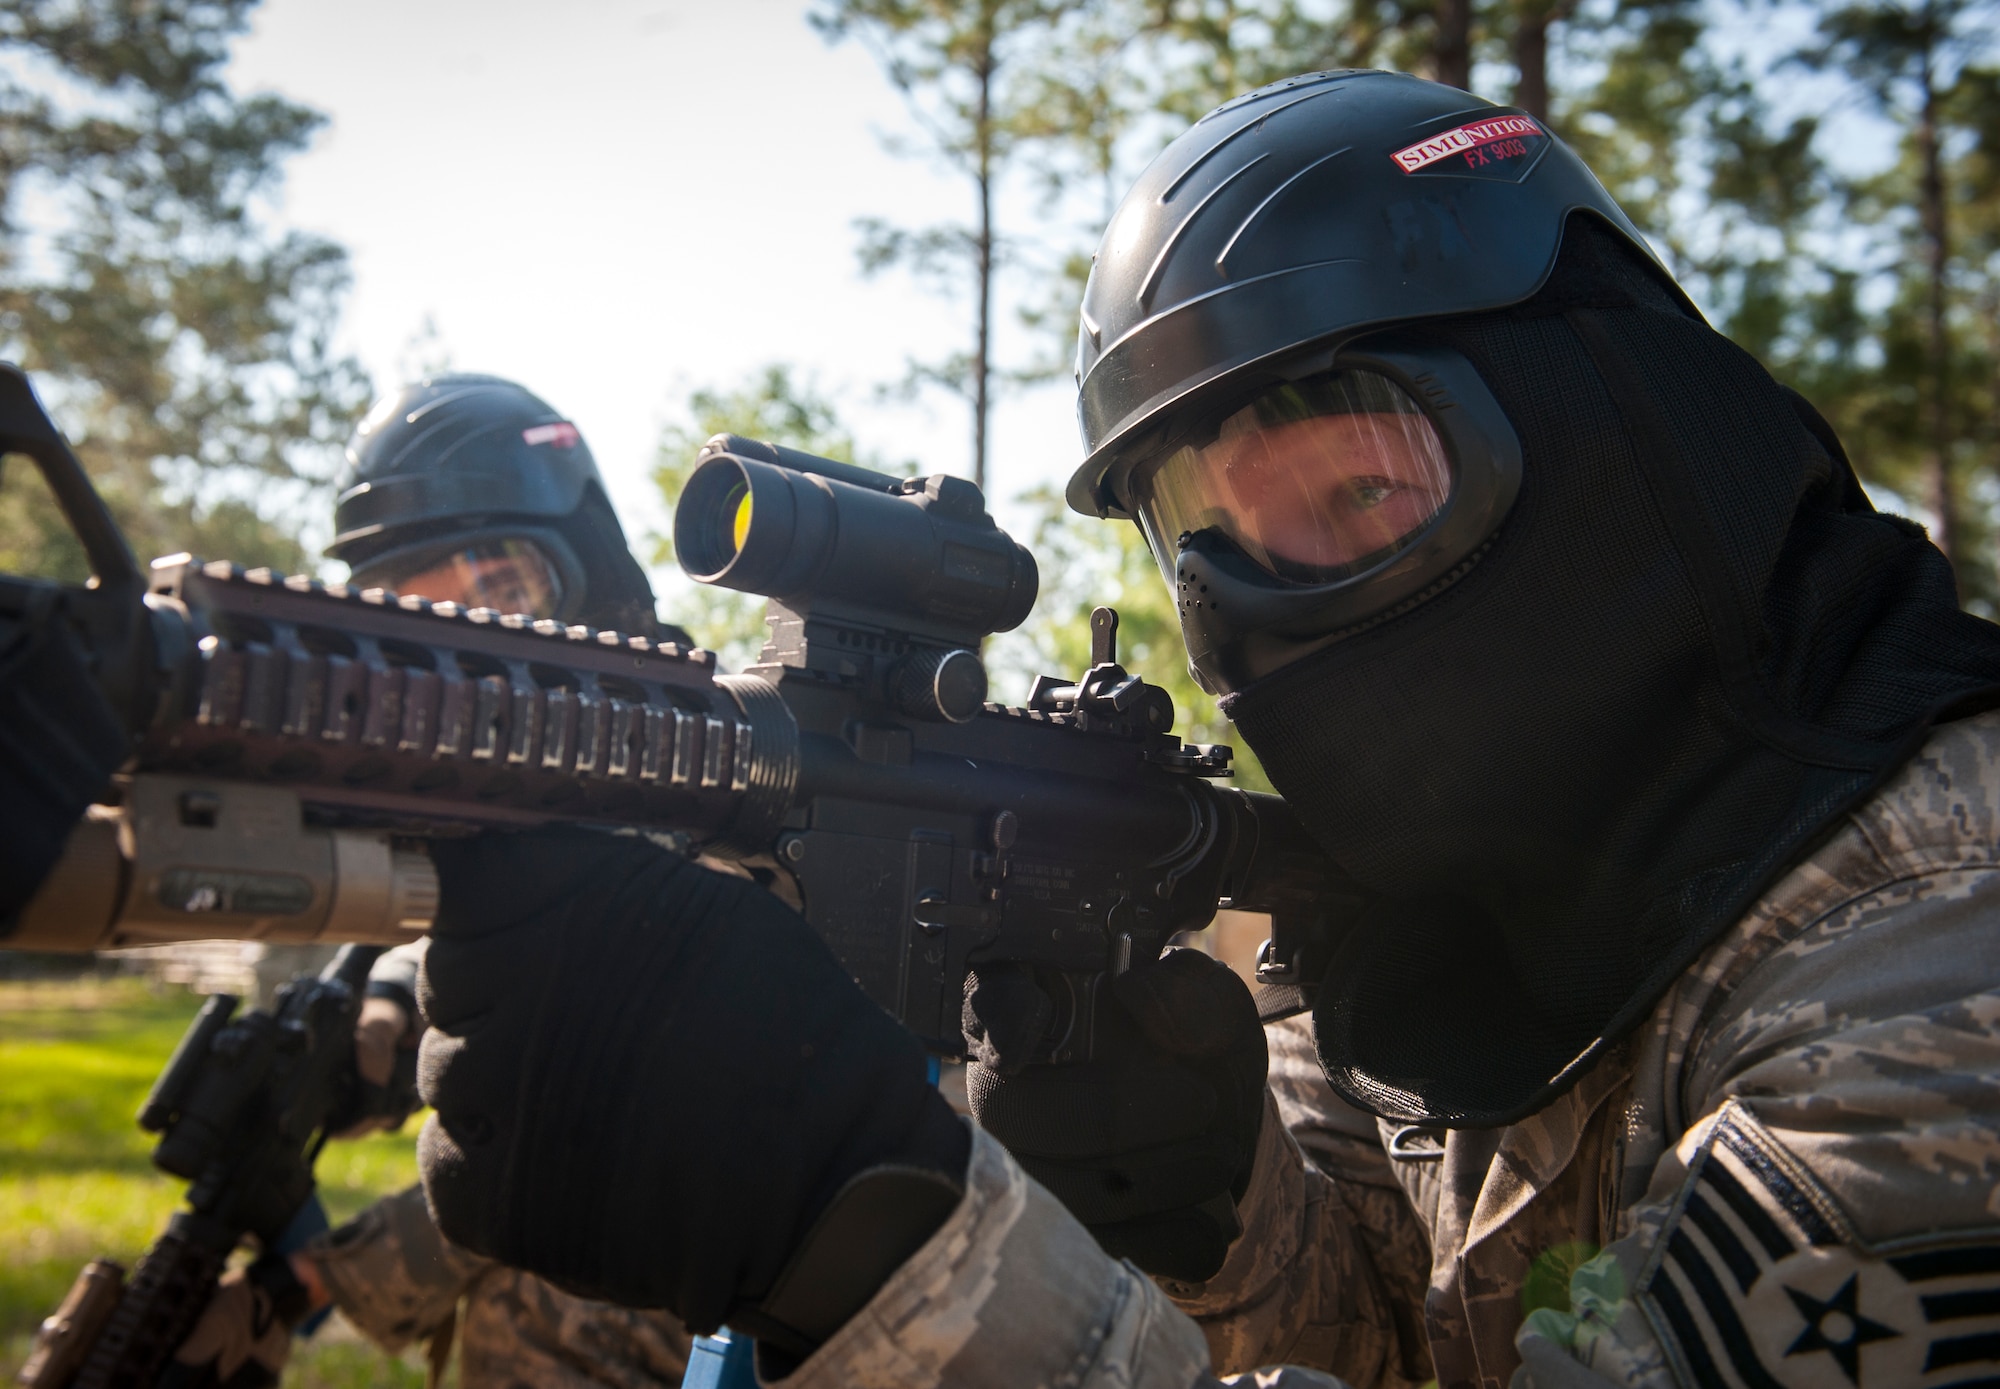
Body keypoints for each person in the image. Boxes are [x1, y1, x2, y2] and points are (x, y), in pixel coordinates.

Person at [403, 72, 2000, 1389]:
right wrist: (1226, 1219)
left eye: (1368, 484)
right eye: (1219, 540)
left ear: (1604, 412)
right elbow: (1388, 1357)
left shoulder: (1942, 940)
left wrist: (891, 1250)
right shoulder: (1400, 937)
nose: (1285, 600)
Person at [169, 376, 696, 1389]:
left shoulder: (694, 775)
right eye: (419, 611)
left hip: (719, 1256)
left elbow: (565, 1126)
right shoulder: (474, 784)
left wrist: (306, 1287)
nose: (470, 642)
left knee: (554, 1292)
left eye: (503, 587)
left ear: (583, 573)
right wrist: (384, 1005)